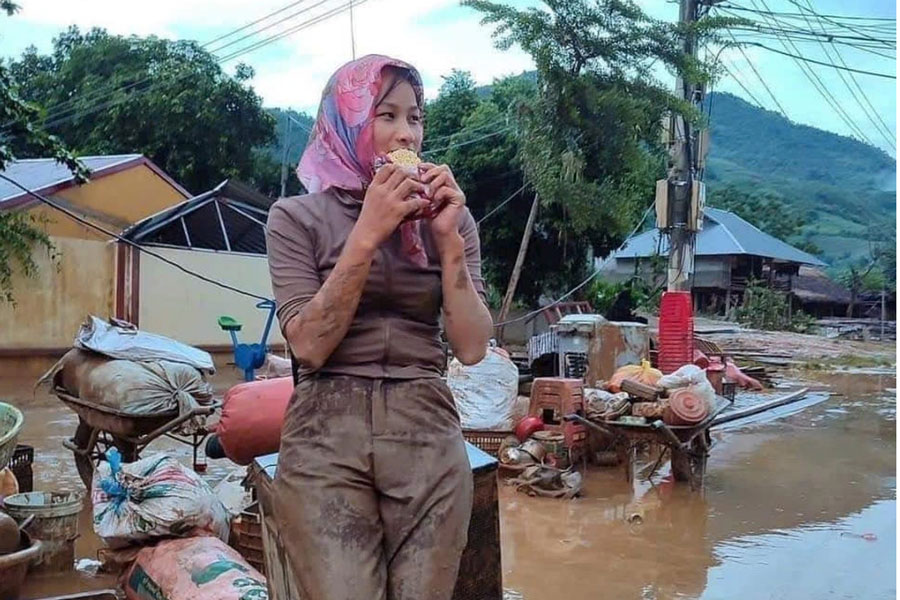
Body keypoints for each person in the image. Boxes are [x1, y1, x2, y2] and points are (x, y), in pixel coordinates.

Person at [265, 54, 493, 600]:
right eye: (385, 115)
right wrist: (367, 231)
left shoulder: (452, 218)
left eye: (414, 118)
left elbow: (472, 347)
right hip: (326, 432)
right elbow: (310, 345)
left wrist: (449, 245)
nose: (403, 133)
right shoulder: (295, 218)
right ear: (346, 123)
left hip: (426, 425)